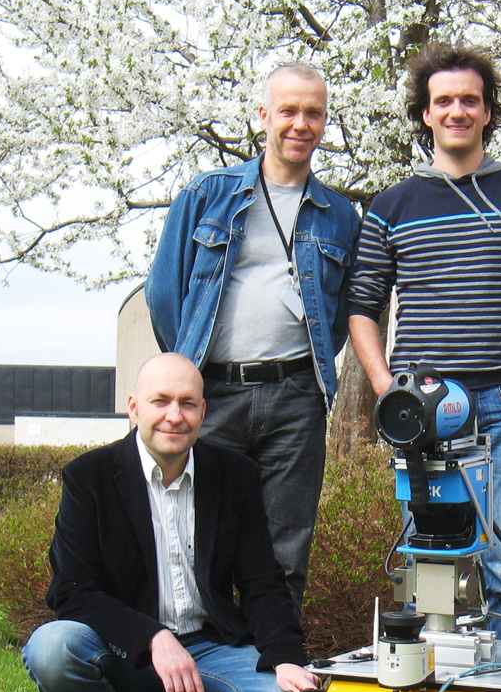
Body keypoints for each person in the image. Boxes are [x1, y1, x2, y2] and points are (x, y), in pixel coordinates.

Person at [348, 44, 501, 643]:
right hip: (425, 413)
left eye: (469, 100)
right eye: (443, 100)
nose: (456, 111)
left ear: (488, 111)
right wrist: (383, 387)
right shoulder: (391, 207)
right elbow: (362, 306)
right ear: (425, 112)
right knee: (431, 559)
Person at [22, 353, 318, 692]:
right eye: (160, 402)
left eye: (187, 403)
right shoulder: (89, 477)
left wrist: (284, 658)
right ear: (134, 408)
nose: (174, 416)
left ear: (203, 411)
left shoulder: (235, 475)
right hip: (126, 652)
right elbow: (72, 590)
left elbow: (262, 581)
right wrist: (153, 639)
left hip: (210, 648)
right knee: (50, 649)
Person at [145, 63, 359, 608]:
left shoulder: (339, 215)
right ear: (262, 116)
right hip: (212, 396)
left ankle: (277, 672)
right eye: (288, 110)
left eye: (313, 113)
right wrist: (188, 367)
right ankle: (202, 667)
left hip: (296, 399)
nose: (300, 124)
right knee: (203, 542)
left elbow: (338, 316)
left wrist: (302, 366)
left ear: (325, 121)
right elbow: (164, 294)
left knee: (286, 549)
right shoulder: (207, 195)